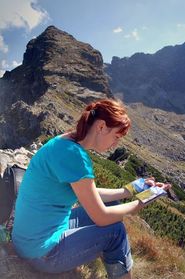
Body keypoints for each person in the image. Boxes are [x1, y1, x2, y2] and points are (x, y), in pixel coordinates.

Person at [11, 98, 171, 279]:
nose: (115, 144)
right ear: (101, 127)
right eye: (116, 137)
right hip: (42, 252)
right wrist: (141, 202)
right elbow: (101, 218)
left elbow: (89, 193)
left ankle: (101, 251)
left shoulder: (64, 142)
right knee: (115, 232)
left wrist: (130, 190)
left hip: (29, 238)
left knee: (113, 206)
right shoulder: (75, 156)